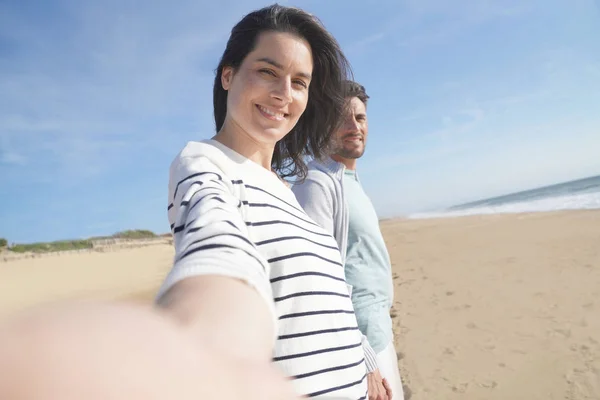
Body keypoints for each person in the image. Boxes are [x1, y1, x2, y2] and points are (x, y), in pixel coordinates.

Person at [0, 5, 374, 400]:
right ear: (228, 75)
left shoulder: (285, 188)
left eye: (299, 82)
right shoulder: (205, 163)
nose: (284, 93)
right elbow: (219, 254)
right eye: (267, 71)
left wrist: (365, 361)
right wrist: (205, 351)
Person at [292, 81, 404, 400]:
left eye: (360, 118)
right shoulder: (317, 183)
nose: (354, 126)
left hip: (378, 334)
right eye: (342, 118)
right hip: (357, 351)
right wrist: (365, 360)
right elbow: (316, 283)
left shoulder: (349, 180)